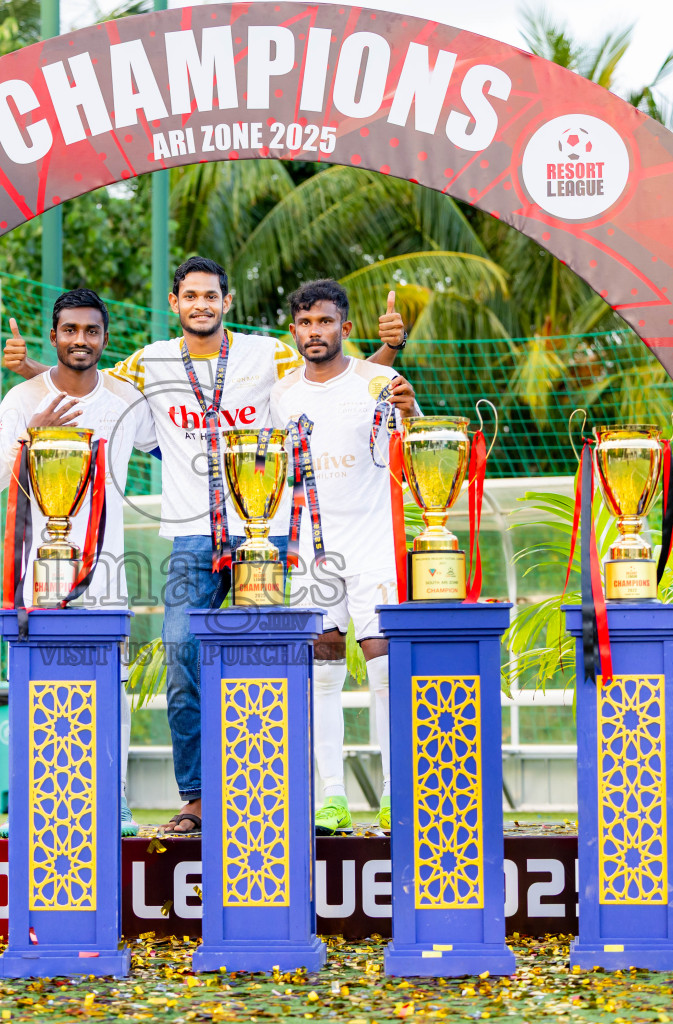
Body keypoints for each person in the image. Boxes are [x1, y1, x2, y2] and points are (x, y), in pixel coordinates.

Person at [4, 257, 409, 835]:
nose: (201, 304)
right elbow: (88, 378)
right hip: (191, 532)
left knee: (269, 660)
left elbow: (337, 381)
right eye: (190, 295)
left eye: (211, 295)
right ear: (175, 303)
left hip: (263, 533)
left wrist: (389, 352)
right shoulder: (148, 362)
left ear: (227, 301)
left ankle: (272, 794)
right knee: (182, 654)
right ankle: (196, 798)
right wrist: (34, 367)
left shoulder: (271, 354)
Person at [0, 288, 154, 836]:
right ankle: (34, 799)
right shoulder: (22, 397)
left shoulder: (126, 399)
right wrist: (30, 436)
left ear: (104, 338)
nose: (81, 340)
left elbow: (174, 440)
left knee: (112, 682)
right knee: (37, 679)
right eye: (70, 330)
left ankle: (115, 799)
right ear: (54, 336)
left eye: (91, 331)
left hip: (108, 567)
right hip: (42, 568)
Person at [271, 279, 418, 834]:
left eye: (325, 322)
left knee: (383, 668)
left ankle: (394, 793)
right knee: (324, 666)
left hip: (376, 544)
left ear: (345, 328)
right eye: (306, 324)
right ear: (294, 332)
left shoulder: (381, 381)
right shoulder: (282, 394)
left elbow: (417, 453)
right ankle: (331, 797)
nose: (316, 332)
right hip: (313, 550)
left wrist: (411, 409)